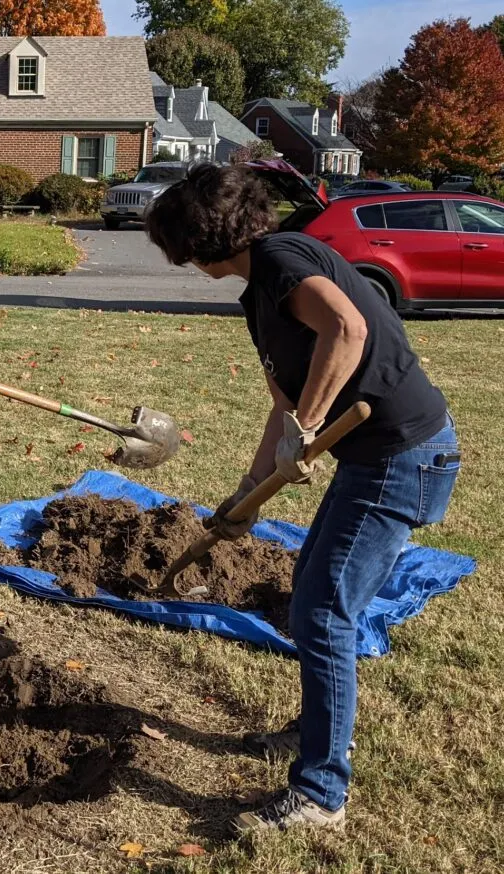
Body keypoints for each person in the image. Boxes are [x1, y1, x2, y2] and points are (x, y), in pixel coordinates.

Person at [145, 164, 459, 832]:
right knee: (314, 592)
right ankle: (318, 728)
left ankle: (321, 794)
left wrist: (307, 428)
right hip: (375, 456)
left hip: (403, 454)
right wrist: (249, 495)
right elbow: (283, 402)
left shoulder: (284, 256)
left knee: (323, 610)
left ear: (197, 241)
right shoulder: (259, 290)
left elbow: (348, 330)